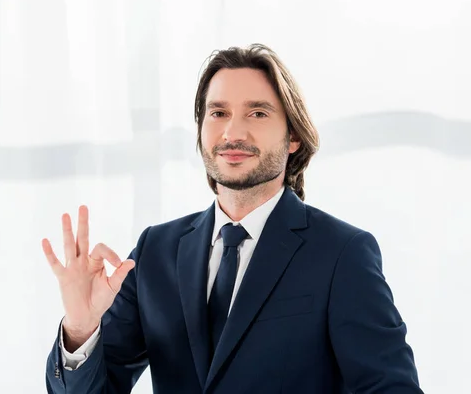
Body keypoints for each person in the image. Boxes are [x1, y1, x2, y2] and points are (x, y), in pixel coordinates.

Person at [42, 44, 423, 393]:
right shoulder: (155, 250)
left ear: (293, 137)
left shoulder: (343, 253)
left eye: (257, 113)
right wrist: (80, 328)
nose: (232, 132)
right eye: (218, 113)